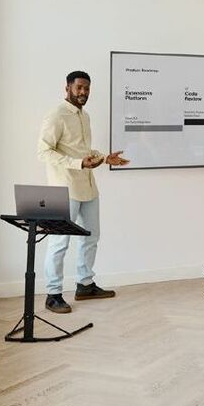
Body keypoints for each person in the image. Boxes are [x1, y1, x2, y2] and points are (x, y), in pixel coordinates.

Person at [37, 70, 130, 314]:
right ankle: (53, 294)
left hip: (88, 187)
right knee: (59, 242)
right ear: (67, 88)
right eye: (79, 87)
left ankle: (85, 285)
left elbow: (82, 151)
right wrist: (78, 163)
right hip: (64, 188)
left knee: (91, 237)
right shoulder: (56, 115)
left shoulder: (84, 116)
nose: (83, 92)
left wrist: (104, 158)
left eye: (87, 88)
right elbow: (43, 152)